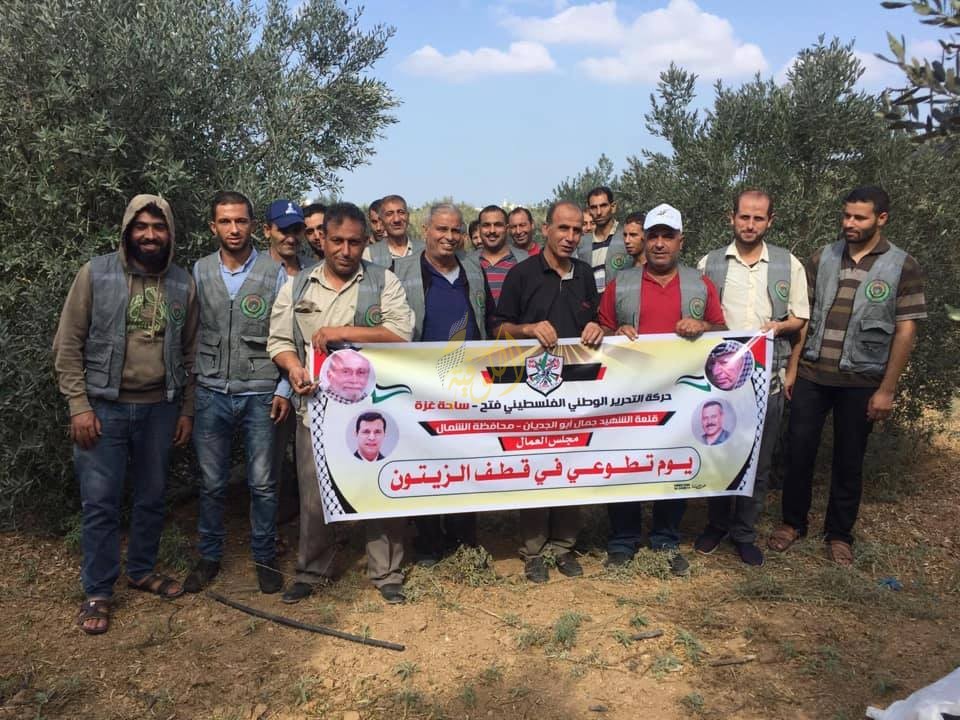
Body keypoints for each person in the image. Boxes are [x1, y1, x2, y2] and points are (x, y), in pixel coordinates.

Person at [53, 194, 198, 635]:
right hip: (104, 408)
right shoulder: (96, 274)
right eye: (141, 226)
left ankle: (141, 570)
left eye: (158, 227)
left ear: (169, 232)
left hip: (160, 407)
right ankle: (98, 591)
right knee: (100, 502)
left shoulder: (182, 283)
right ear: (127, 231)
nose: (150, 235)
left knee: (152, 495)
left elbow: (191, 352)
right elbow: (67, 344)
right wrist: (79, 405)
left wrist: (186, 409)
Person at [768, 185, 926, 567]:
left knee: (849, 460)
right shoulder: (822, 257)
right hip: (812, 374)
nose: (850, 223)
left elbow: (906, 330)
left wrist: (887, 389)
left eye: (859, 217)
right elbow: (804, 316)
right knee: (799, 451)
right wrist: (793, 369)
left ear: (881, 219)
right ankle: (792, 523)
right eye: (846, 215)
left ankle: (839, 535)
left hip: (862, 379)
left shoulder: (902, 265)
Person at [268, 202, 415, 604]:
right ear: (322, 239)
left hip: (373, 411)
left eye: (354, 242)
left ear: (366, 241)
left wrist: (340, 332)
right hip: (315, 411)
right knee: (314, 496)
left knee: (379, 487)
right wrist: (294, 369)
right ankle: (311, 570)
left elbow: (401, 334)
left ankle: (386, 573)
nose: (345, 250)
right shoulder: (298, 285)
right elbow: (279, 341)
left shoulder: (383, 281)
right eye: (337, 241)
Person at [597, 203, 726, 575]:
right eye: (653, 235)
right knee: (625, 464)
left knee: (674, 464)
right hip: (629, 397)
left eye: (667, 236)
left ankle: (665, 541)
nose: (658, 244)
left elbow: (723, 331)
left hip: (681, 398)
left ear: (680, 241)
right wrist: (615, 332)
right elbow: (599, 329)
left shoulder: (700, 284)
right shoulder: (622, 283)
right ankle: (622, 542)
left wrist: (703, 326)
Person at [182, 192, 291, 596]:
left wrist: (284, 387)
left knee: (263, 483)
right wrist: (190, 391)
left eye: (241, 221)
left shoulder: (274, 272)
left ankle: (264, 557)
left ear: (252, 226)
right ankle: (209, 557)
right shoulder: (200, 270)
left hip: (261, 392)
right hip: (211, 391)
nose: (233, 229)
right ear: (213, 226)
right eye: (225, 221)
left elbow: (288, 333)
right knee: (212, 483)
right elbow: (190, 334)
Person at [492, 201, 604, 583]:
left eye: (577, 231)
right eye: (563, 229)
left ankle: (564, 546)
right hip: (533, 389)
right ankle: (533, 551)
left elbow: (597, 321)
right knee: (537, 465)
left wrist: (597, 327)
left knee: (573, 463)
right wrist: (527, 329)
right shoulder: (521, 274)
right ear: (546, 229)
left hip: (578, 389)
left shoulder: (585, 275)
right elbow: (497, 329)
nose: (570, 237)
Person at [393, 203, 494, 567]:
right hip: (421, 385)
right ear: (425, 230)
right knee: (424, 458)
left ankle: (464, 539)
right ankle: (428, 541)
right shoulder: (401, 271)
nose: (449, 237)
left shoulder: (472, 269)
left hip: (467, 385)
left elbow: (487, 318)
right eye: (441, 229)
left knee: (465, 459)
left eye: (455, 231)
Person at [475, 205, 528, 306]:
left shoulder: (525, 261)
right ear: (479, 229)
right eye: (486, 225)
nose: (492, 230)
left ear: (506, 228)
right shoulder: (467, 263)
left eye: (498, 225)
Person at [578, 186, 626, 293]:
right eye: (594, 207)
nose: (599, 212)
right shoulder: (582, 244)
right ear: (589, 210)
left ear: (613, 207)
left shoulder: (626, 237)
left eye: (603, 206)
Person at [365, 194, 424, 267]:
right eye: (389, 214)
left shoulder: (426, 250)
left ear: (408, 216)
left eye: (401, 212)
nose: (396, 219)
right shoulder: (368, 255)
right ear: (382, 220)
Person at [264, 199, 315, 277]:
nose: (291, 240)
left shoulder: (314, 270)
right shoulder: (252, 268)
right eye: (284, 231)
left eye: (297, 231)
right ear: (267, 231)